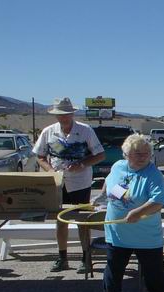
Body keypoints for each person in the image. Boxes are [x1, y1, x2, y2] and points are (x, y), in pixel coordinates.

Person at [97, 133, 164, 292]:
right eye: (137, 153)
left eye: (146, 153)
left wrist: (137, 212)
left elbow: (158, 201)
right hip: (118, 230)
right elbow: (110, 182)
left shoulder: (153, 174)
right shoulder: (118, 166)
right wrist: (103, 196)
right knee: (114, 265)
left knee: (154, 269)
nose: (143, 157)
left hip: (145, 233)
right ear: (126, 155)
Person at [33, 97, 105, 273]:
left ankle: (85, 258)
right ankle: (62, 257)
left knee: (83, 221)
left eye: (66, 114)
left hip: (80, 182)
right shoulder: (48, 132)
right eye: (60, 115)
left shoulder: (85, 130)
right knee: (60, 220)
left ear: (72, 114)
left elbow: (100, 154)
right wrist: (50, 171)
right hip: (58, 184)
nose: (63, 118)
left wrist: (82, 164)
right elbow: (39, 156)